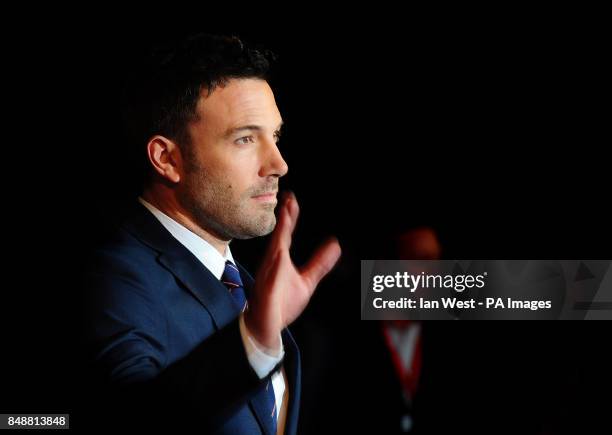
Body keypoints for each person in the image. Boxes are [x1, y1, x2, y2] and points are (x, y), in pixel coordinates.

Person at [83, 33, 341, 434]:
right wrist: (254, 339)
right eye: (244, 139)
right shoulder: (112, 275)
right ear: (167, 158)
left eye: (274, 137)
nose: (279, 163)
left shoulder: (246, 285)